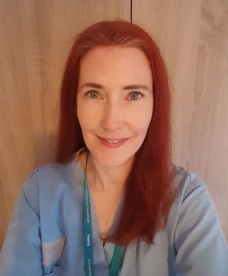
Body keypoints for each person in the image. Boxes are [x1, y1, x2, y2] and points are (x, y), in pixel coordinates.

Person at [0, 20, 227, 276]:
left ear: (155, 105)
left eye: (133, 95)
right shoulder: (40, 194)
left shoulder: (187, 201)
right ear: (74, 102)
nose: (111, 122)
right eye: (94, 94)